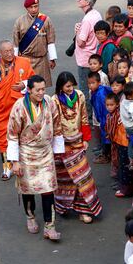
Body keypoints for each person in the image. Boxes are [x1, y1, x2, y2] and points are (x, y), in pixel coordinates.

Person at [7, 75, 64, 241]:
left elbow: (57, 124)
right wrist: (15, 161)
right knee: (28, 189)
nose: (41, 93)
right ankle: (30, 216)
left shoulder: (49, 102)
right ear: (29, 90)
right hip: (27, 153)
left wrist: (57, 151)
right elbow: (12, 134)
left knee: (48, 189)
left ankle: (50, 225)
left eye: (43, 89)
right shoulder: (19, 107)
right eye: (37, 90)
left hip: (45, 152)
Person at [52, 72, 102, 223]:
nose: (70, 88)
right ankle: (63, 206)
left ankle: (83, 211)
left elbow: (84, 117)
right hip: (62, 145)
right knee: (64, 179)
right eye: (67, 86)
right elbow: (55, 124)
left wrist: (86, 138)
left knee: (83, 178)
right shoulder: (54, 101)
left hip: (78, 143)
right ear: (61, 86)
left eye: (72, 85)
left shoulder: (79, 95)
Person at [0, 40, 35, 181]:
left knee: (21, 133)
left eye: (12, 50)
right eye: (6, 51)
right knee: (2, 137)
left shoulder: (23, 63)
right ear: (0, 53)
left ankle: (22, 161)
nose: (10, 53)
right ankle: (7, 166)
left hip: (19, 107)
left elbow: (34, 81)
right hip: (0, 108)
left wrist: (23, 85)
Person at [13, 0, 57, 87]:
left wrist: (52, 58)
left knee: (41, 88)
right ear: (26, 8)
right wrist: (14, 61)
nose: (34, 9)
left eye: (36, 6)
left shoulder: (46, 20)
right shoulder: (19, 22)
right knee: (26, 88)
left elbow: (50, 40)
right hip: (25, 60)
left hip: (42, 60)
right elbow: (16, 43)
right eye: (31, 7)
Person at [74, 0, 102, 120]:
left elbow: (80, 42)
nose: (78, 0)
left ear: (87, 2)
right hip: (93, 56)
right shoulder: (96, 14)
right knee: (93, 88)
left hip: (84, 59)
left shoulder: (86, 20)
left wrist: (78, 31)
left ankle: (88, 117)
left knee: (85, 90)